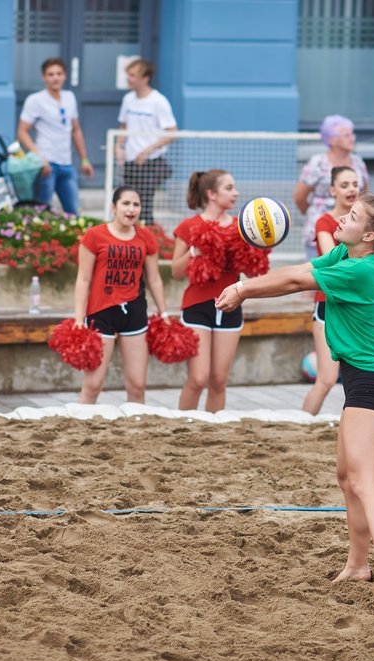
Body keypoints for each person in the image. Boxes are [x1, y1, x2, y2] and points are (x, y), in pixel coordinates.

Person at [214, 193, 374, 611]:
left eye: (352, 216)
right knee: (347, 478)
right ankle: (358, 565)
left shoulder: (362, 269)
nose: (341, 218)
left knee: (365, 480)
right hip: (358, 380)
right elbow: (300, 270)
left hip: (372, 384)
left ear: (369, 236)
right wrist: (246, 286)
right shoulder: (345, 253)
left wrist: (243, 289)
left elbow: (295, 283)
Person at [73, 187, 168, 404]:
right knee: (93, 385)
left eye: (136, 204)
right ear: (113, 207)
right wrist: (78, 319)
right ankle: (80, 423)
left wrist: (164, 314)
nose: (131, 209)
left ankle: (137, 425)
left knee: (137, 386)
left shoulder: (146, 237)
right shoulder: (95, 235)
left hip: (134, 312)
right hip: (101, 313)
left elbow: (154, 279)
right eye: (126, 203)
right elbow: (83, 279)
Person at [171, 170, 242, 412]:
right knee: (198, 378)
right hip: (197, 307)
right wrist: (194, 251)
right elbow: (176, 271)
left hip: (230, 306)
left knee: (219, 381)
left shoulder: (241, 227)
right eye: (229, 188)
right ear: (211, 194)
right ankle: (183, 426)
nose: (236, 193)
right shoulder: (189, 226)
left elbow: (254, 270)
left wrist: (259, 247)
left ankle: (213, 428)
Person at [301, 166, 358, 415]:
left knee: (356, 380)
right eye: (345, 185)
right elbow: (331, 259)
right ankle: (302, 423)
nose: (351, 189)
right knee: (326, 379)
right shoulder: (324, 222)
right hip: (328, 304)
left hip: (355, 305)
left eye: (355, 184)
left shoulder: (367, 224)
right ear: (332, 190)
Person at [17, 57, 94, 214]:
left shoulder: (70, 97)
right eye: (51, 74)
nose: (55, 78)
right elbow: (22, 132)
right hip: (47, 164)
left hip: (67, 163)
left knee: (73, 213)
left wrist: (84, 159)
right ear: (43, 77)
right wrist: (39, 157)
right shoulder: (35, 100)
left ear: (65, 76)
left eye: (59, 74)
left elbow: (76, 129)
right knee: (42, 213)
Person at [293, 115, 370, 260]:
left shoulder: (358, 162)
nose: (352, 138)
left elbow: (365, 195)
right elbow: (299, 196)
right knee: (322, 267)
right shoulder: (318, 162)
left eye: (352, 134)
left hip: (352, 229)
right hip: (320, 225)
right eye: (347, 135)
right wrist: (312, 213)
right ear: (332, 140)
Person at [116, 58, 178, 226]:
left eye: (133, 75)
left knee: (143, 204)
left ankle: (148, 234)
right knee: (127, 201)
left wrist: (147, 150)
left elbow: (172, 133)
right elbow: (123, 126)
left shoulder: (158, 101)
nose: (129, 79)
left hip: (149, 162)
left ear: (145, 78)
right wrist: (119, 147)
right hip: (131, 161)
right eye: (128, 75)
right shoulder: (128, 99)